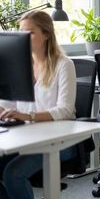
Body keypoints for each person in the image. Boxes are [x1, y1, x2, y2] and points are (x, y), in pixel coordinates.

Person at [0, 11, 76, 199]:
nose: (24, 37)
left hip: (58, 140)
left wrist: (27, 116)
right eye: (21, 33)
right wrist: (4, 110)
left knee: (13, 174)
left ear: (46, 34)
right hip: (24, 136)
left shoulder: (63, 65)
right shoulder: (19, 66)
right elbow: (8, 102)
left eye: (30, 32)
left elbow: (65, 110)